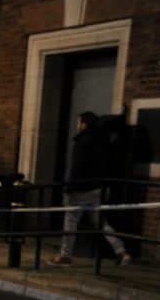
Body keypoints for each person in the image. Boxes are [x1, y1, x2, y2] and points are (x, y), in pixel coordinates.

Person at [48, 112, 131, 267]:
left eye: (79, 122)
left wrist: (69, 189)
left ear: (84, 124)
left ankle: (65, 256)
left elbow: (77, 168)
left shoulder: (82, 142)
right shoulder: (104, 141)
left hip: (82, 190)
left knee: (71, 221)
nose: (77, 125)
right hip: (99, 189)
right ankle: (121, 250)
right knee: (100, 223)